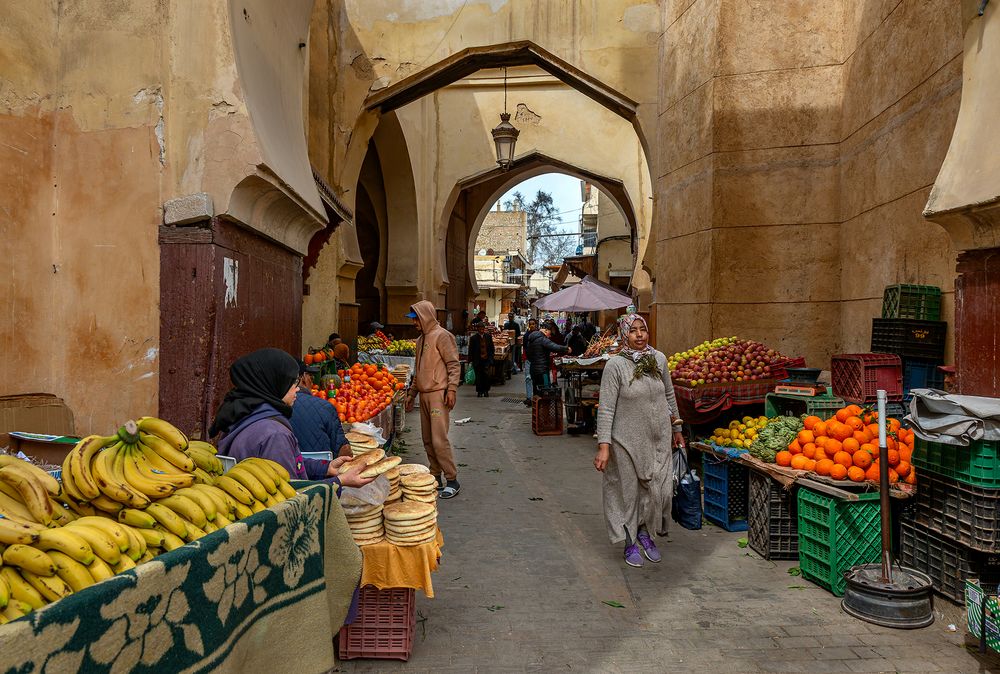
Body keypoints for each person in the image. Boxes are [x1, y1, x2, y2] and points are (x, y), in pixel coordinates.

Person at [210, 348, 374, 497]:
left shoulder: (244, 414)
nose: (297, 388)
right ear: (274, 383)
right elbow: (291, 496)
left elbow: (286, 465)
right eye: (292, 382)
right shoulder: (274, 435)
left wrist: (326, 467)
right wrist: (341, 481)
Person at [594, 314, 683, 568]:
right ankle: (630, 539)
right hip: (626, 440)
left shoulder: (659, 359)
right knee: (629, 493)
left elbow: (669, 394)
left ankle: (646, 531)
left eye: (643, 329)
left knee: (660, 491)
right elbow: (607, 408)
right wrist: (604, 446)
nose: (640, 335)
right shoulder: (615, 366)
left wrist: (677, 428)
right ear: (625, 335)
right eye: (633, 331)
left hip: (658, 438)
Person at [404, 300, 462, 499]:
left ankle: (452, 479)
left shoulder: (443, 336)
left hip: (438, 394)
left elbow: (454, 365)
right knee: (427, 439)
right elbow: (418, 372)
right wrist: (412, 394)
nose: (414, 323)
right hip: (424, 395)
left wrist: (451, 389)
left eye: (416, 319)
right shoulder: (421, 340)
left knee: (439, 440)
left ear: (425, 316)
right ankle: (435, 476)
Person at [290, 360, 352, 458]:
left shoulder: (270, 409)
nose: (312, 379)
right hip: (323, 470)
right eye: (310, 376)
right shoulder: (325, 407)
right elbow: (344, 451)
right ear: (302, 378)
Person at [525, 320, 570, 390]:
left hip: (533, 370)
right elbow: (554, 347)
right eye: (550, 332)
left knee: (536, 390)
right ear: (546, 330)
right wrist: (566, 349)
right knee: (545, 390)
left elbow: (528, 354)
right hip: (542, 371)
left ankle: (535, 400)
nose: (550, 335)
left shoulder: (532, 339)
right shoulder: (543, 339)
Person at [468, 321, 495, 398]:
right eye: (479, 328)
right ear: (477, 329)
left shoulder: (488, 337)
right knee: (479, 377)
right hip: (477, 360)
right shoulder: (473, 338)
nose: (481, 330)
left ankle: (486, 391)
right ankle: (479, 391)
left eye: (482, 328)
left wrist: (491, 359)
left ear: (484, 329)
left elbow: (491, 348)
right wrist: (470, 360)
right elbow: (471, 350)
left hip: (486, 360)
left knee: (486, 376)